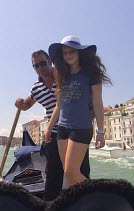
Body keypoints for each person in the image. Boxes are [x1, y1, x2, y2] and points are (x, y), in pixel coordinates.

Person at [15, 50, 90, 201]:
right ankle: (51, 204)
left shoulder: (65, 76)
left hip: (75, 129)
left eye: (43, 63)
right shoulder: (36, 88)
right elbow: (26, 105)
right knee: (53, 173)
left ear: (50, 62)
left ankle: (89, 199)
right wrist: (19, 103)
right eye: (36, 66)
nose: (40, 68)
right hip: (53, 133)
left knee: (79, 170)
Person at [45, 35, 112, 189]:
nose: (68, 55)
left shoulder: (91, 75)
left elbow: (97, 103)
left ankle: (103, 197)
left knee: (72, 172)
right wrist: (49, 128)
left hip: (81, 128)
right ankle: (71, 204)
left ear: (79, 53)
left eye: (72, 52)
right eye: (65, 53)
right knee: (67, 176)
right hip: (62, 129)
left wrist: (100, 131)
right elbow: (58, 105)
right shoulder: (62, 75)